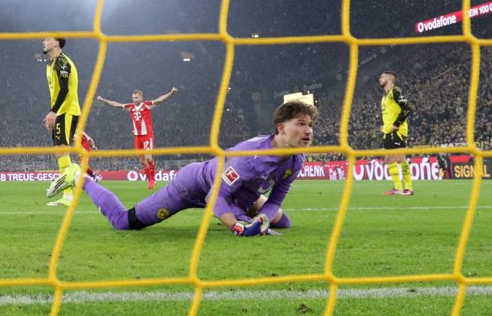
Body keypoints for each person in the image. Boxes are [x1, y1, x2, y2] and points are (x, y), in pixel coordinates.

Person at [52, 101, 318, 236]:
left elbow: (276, 201)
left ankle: (241, 215)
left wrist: (261, 221)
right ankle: (81, 178)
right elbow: (215, 197)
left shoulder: (296, 160)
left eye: (310, 125)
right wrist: (237, 226)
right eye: (300, 124)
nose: (308, 131)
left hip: (239, 194)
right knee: (124, 223)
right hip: (193, 186)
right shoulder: (249, 157)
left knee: (282, 222)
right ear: (281, 128)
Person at [96, 87, 178, 189]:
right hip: (137, 137)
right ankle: (150, 179)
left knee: (148, 158)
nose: (135, 99)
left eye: (136, 98)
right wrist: (103, 100)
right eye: (133, 98)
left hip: (147, 135)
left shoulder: (147, 105)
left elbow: (159, 100)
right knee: (142, 160)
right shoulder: (130, 107)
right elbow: (116, 104)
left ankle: (153, 179)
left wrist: (171, 93)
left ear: (141, 98)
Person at [41, 37, 82, 207]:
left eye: (47, 40)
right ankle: (67, 195)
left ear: (56, 43)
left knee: (62, 150)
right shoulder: (51, 64)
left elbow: (65, 89)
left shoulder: (62, 62)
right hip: (61, 112)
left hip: (67, 111)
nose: (43, 42)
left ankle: (74, 172)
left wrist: (53, 112)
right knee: (60, 152)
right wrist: (53, 112)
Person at [378, 70, 413, 196]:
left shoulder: (395, 91)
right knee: (389, 159)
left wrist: (397, 123)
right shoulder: (384, 98)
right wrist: (385, 126)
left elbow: (406, 108)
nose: (379, 79)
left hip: (397, 132)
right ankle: (397, 187)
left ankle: (408, 188)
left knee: (400, 158)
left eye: (382, 77)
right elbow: (388, 114)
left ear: (389, 79)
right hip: (387, 132)